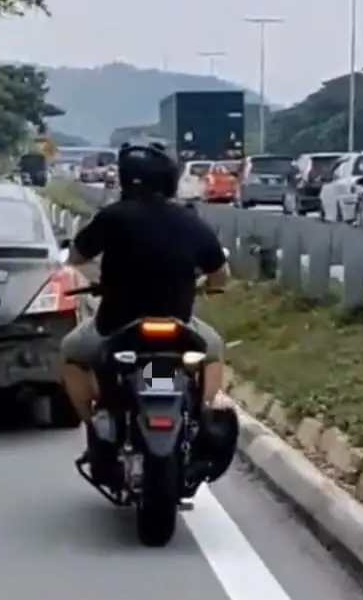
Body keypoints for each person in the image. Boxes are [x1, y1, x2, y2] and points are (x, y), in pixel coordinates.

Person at [60, 142, 237, 471]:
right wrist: (209, 286)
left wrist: (102, 278)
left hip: (115, 326)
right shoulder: (190, 221)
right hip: (177, 329)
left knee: (71, 351)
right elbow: (220, 274)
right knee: (212, 350)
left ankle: (95, 430)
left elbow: (75, 257)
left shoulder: (112, 217)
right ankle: (202, 414)